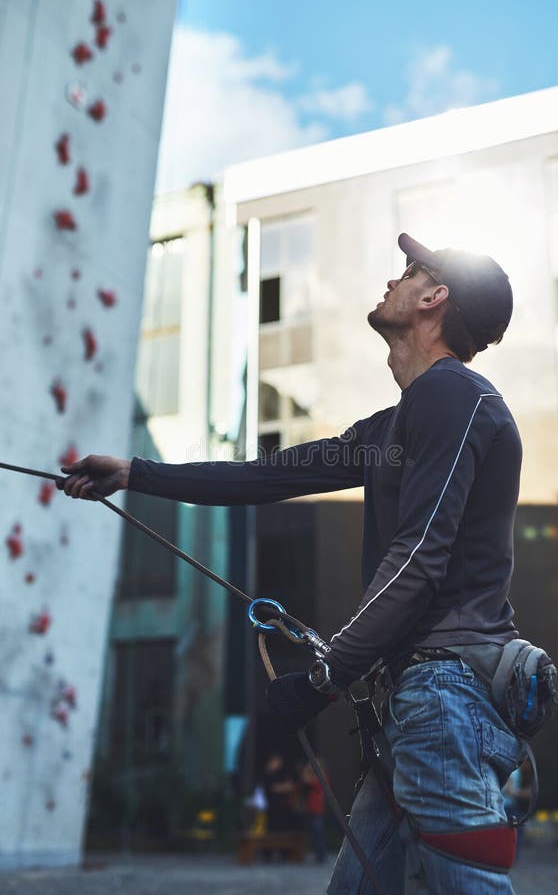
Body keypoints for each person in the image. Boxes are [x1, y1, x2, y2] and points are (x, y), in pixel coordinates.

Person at [58, 232, 525, 894]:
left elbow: (418, 558)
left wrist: (322, 681)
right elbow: (268, 475)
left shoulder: (453, 396)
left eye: (408, 271)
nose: (392, 280)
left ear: (434, 297)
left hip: (446, 701)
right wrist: (136, 473)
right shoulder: (398, 424)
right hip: (418, 706)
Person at [301, 758, 329, 863]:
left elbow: (307, 780)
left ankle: (321, 854)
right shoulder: (316, 775)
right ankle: (319, 854)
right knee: (314, 832)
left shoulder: (322, 776)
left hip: (317, 807)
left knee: (318, 831)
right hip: (311, 806)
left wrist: (306, 769)